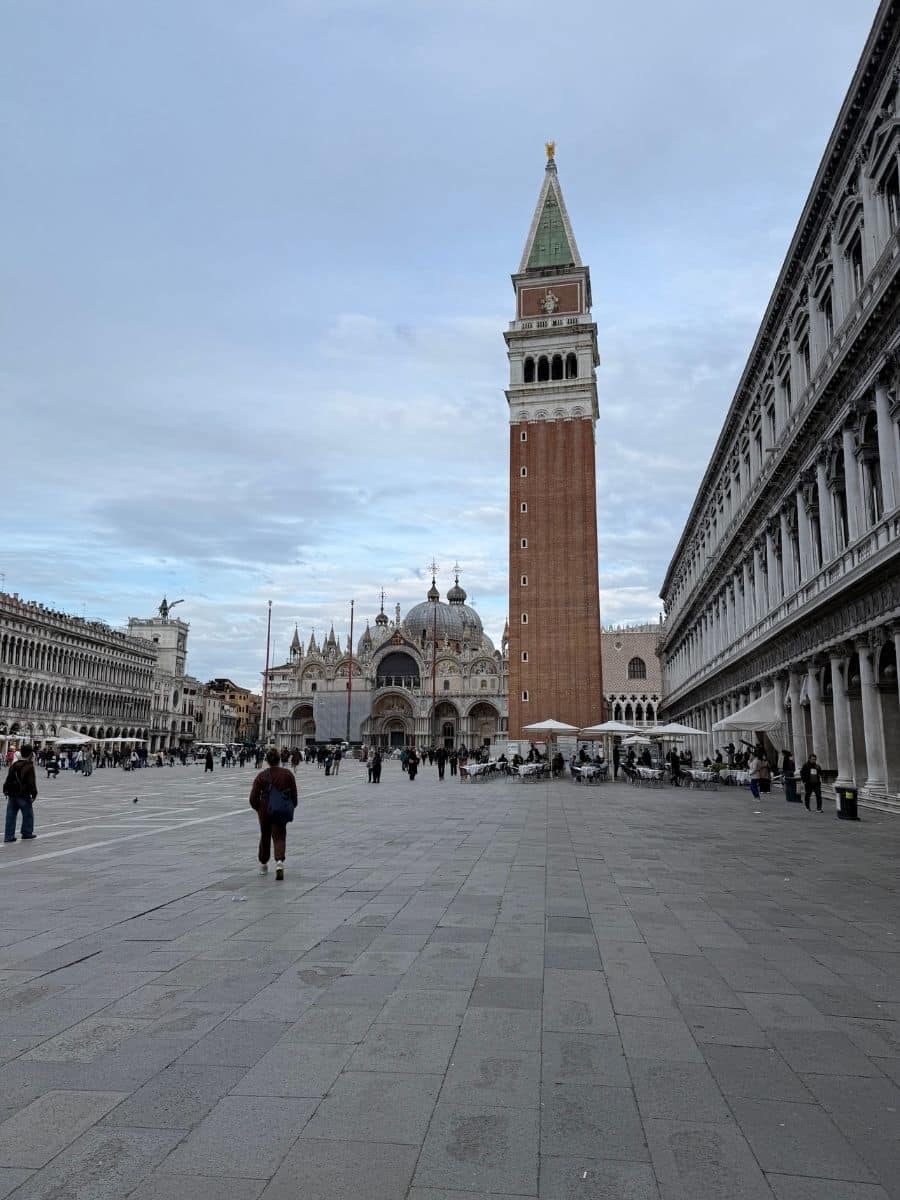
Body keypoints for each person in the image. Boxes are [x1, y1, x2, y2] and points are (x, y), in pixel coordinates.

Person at [249, 747, 298, 880]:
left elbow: (253, 797)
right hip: (280, 808)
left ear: (267, 761)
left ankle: (263, 865)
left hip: (264, 809)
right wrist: (291, 805)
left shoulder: (262, 775)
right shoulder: (287, 774)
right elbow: (294, 794)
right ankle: (279, 862)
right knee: (279, 835)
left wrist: (259, 808)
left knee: (265, 835)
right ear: (280, 759)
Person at [4, 745, 38, 843]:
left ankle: (9, 836)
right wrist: (34, 794)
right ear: (31, 754)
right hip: (23, 794)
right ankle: (27, 833)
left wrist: (7, 790)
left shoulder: (14, 765)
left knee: (10, 815)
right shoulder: (29, 766)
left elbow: (8, 779)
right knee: (28, 814)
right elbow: (31, 782)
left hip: (12, 794)